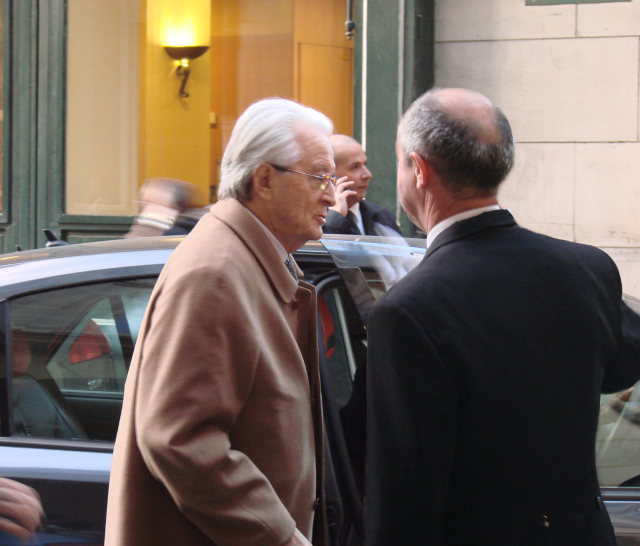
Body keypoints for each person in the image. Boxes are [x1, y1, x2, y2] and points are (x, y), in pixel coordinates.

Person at [364, 87, 640, 546]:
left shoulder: (406, 310)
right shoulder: (588, 267)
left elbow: (403, 500)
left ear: (419, 169)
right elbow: (621, 370)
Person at [105, 98, 337, 546]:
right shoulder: (217, 272)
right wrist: (280, 536)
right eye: (319, 177)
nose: (331, 194)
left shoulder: (245, 262)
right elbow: (180, 439)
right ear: (265, 179)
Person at [322, 135, 401, 236]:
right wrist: (334, 219)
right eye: (355, 167)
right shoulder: (312, 218)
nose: (367, 175)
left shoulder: (382, 216)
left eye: (365, 164)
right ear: (330, 175)